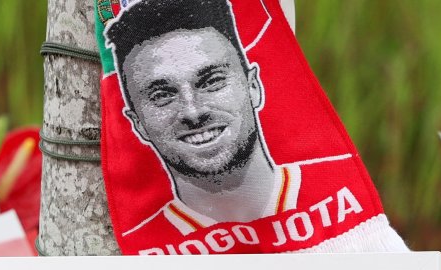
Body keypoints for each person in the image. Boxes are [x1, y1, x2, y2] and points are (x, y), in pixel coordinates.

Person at [104, 0, 364, 244]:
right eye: (162, 95)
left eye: (211, 81)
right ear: (137, 122)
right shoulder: (138, 239)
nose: (193, 112)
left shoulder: (341, 198)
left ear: (253, 86)